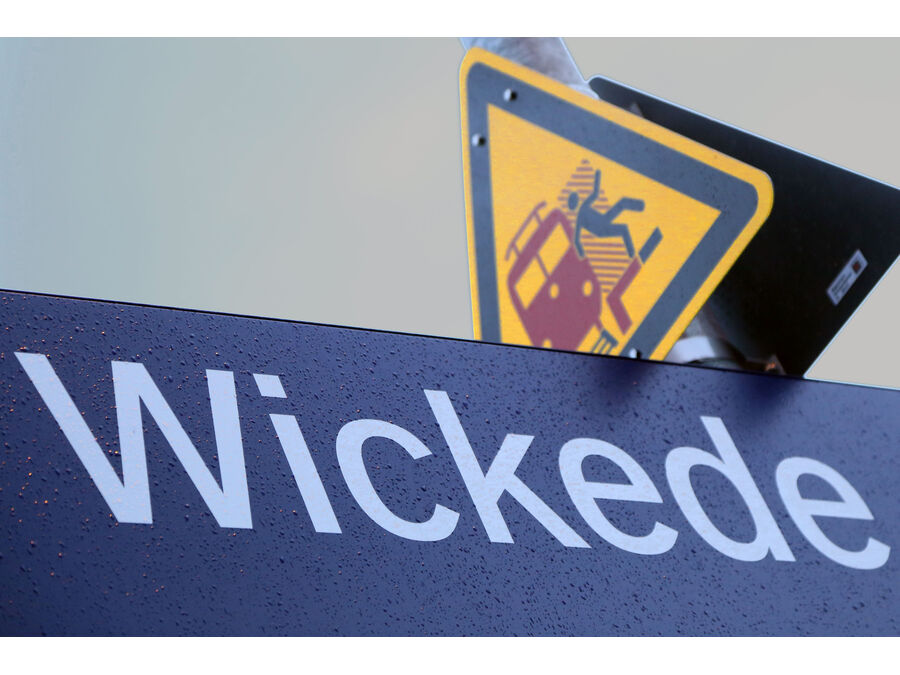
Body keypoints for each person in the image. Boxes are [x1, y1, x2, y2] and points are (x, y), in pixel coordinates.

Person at [569, 169, 643, 259]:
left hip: (604, 219)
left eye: (575, 198)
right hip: (601, 229)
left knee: (622, 203)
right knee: (623, 229)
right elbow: (576, 239)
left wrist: (597, 176)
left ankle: (641, 206)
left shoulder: (584, 205)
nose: (577, 199)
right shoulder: (579, 217)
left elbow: (595, 194)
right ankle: (632, 255)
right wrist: (582, 255)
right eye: (574, 199)